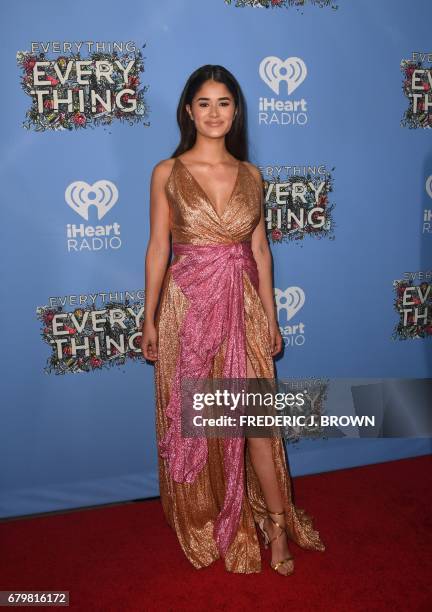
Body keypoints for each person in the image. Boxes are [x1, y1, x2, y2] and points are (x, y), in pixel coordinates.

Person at [141, 64, 325, 575]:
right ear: (188, 110)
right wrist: (149, 316)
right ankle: (217, 513)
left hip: (242, 306)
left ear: (236, 110)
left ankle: (277, 524)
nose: (214, 112)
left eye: (224, 102)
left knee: (258, 425)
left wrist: (271, 316)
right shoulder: (167, 171)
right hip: (188, 310)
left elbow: (261, 252)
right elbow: (159, 248)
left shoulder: (252, 174)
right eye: (204, 103)